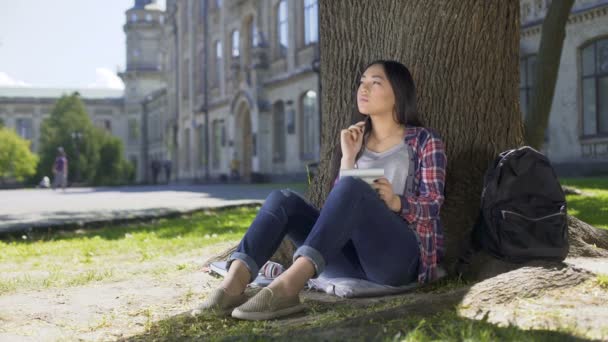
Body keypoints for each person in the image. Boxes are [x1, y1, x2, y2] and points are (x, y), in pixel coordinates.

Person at [194, 60, 447, 320]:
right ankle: (233, 285)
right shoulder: (355, 141)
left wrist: (397, 202)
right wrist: (348, 159)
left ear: (398, 92)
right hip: (349, 260)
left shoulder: (425, 141)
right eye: (362, 81)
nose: (364, 88)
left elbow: (434, 204)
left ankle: (287, 287)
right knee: (282, 199)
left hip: (396, 258)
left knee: (353, 186)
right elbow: (337, 209)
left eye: (375, 82)